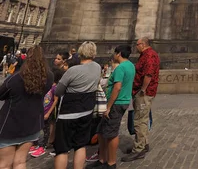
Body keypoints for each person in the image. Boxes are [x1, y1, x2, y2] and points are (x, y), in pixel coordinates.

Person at [0, 45, 53, 168]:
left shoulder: (16, 78)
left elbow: (1, 94)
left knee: (4, 164)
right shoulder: (49, 77)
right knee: (20, 162)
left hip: (10, 125)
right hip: (32, 124)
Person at [53, 41, 101, 169]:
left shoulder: (73, 70)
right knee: (80, 145)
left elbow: (58, 91)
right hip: (87, 111)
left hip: (68, 114)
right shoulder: (97, 67)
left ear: (80, 53)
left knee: (62, 148)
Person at [93, 45, 135, 169]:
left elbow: (117, 87)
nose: (113, 55)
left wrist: (109, 106)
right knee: (101, 131)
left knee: (111, 133)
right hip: (122, 101)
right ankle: (102, 159)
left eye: (114, 53)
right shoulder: (131, 66)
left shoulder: (121, 68)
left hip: (116, 103)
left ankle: (111, 163)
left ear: (119, 54)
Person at [122, 37, 160, 162]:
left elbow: (148, 74)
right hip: (143, 92)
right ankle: (144, 144)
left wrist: (143, 90)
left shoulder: (148, 55)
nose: (136, 47)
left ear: (143, 44)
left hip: (144, 93)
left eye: (137, 44)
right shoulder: (147, 54)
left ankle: (138, 150)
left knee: (139, 120)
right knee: (143, 118)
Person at [29, 68, 63, 158]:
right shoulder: (47, 86)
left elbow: (55, 100)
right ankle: (37, 144)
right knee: (39, 127)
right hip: (42, 110)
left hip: (48, 111)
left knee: (46, 129)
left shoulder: (55, 88)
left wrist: (48, 113)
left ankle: (43, 146)